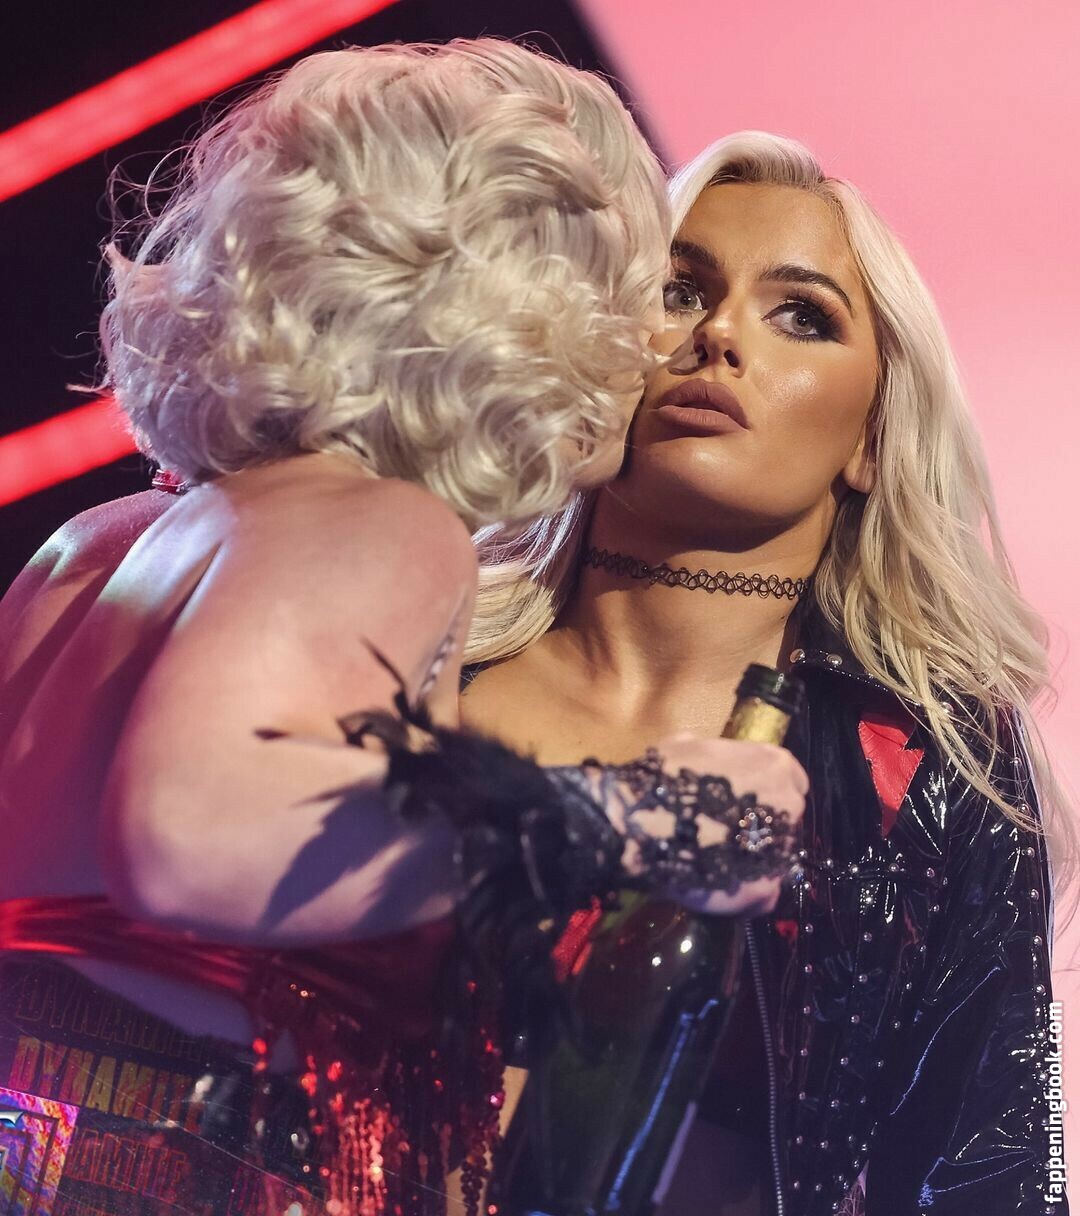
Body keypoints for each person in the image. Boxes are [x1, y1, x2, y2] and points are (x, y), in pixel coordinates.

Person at [0, 48, 808, 1216]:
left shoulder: (100, 542)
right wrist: (631, 816)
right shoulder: (379, 526)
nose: (653, 343)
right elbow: (189, 834)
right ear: (526, 299)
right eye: (639, 288)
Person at [462, 131, 1071, 1215]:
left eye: (802, 316)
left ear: (872, 440)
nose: (718, 333)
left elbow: (987, 1166)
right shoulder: (425, 652)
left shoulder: (921, 765)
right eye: (678, 291)